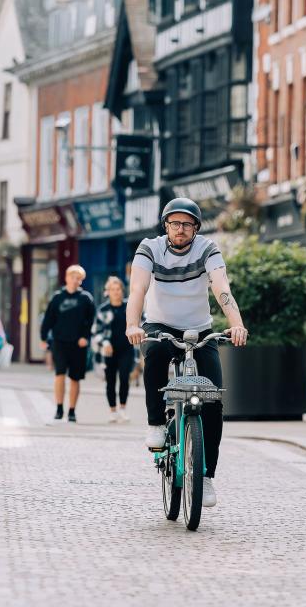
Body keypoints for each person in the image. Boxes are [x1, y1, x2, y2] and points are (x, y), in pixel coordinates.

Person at [126, 198, 248, 508]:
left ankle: (206, 477)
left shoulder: (207, 248)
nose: (181, 230)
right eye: (175, 223)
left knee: (213, 400)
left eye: (187, 224)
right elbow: (138, 289)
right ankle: (156, 423)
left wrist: (237, 324)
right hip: (159, 324)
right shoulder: (149, 248)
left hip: (199, 328)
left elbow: (221, 287)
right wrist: (132, 325)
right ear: (165, 225)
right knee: (153, 353)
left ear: (196, 228)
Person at [40, 265, 95, 422]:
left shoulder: (86, 298)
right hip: (60, 342)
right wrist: (43, 338)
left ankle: (72, 410)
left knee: (75, 378)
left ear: (81, 280)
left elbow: (90, 321)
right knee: (59, 375)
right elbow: (49, 319)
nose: (75, 280)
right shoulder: (58, 297)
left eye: (78, 278)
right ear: (66, 278)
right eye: (72, 276)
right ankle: (59, 408)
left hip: (78, 343)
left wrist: (85, 337)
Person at [92, 276, 135, 423]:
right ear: (107, 292)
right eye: (112, 290)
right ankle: (112, 410)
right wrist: (104, 343)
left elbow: (141, 322)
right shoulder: (103, 309)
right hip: (109, 351)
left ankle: (122, 409)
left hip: (127, 349)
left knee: (124, 378)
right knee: (110, 381)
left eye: (118, 289)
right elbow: (96, 331)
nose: (116, 292)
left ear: (122, 291)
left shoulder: (129, 306)